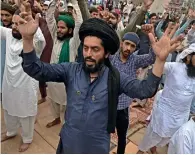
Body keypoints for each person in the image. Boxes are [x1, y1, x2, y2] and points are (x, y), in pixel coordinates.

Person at [17, 4, 181, 152]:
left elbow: (145, 89)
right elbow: (35, 69)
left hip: (96, 146)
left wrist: (159, 60)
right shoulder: (71, 70)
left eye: (95, 49)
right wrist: (27, 39)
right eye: (86, 48)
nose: (88, 54)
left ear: (107, 53)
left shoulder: (115, 77)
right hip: (68, 142)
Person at [0, 6, 45, 152]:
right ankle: (11, 132)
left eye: (18, 24)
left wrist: (31, 25)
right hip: (9, 84)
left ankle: (27, 139)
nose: (14, 27)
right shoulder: (9, 34)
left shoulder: (32, 43)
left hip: (26, 86)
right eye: (13, 23)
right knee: (8, 110)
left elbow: (40, 40)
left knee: (26, 116)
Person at [137, 43, 195, 154]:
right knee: (153, 135)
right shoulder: (174, 67)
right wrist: (159, 55)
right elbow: (157, 66)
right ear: (189, 56)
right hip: (164, 113)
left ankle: (154, 147)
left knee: (170, 138)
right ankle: (141, 151)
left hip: (181, 116)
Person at [110, 30, 155, 154]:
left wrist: (151, 38)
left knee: (122, 136)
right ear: (121, 43)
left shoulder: (135, 60)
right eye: (127, 44)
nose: (128, 48)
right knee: (103, 132)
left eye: (132, 46)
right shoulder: (111, 57)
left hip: (123, 107)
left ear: (135, 48)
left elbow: (152, 57)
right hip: (107, 104)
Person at [45, 0, 83, 128]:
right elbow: (49, 19)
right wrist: (53, 2)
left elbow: (79, 23)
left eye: (62, 28)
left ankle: (66, 124)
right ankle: (56, 118)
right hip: (52, 78)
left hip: (66, 81)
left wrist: (74, 3)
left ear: (70, 30)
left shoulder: (73, 43)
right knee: (52, 101)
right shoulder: (56, 38)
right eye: (58, 27)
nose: (59, 30)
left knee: (66, 104)